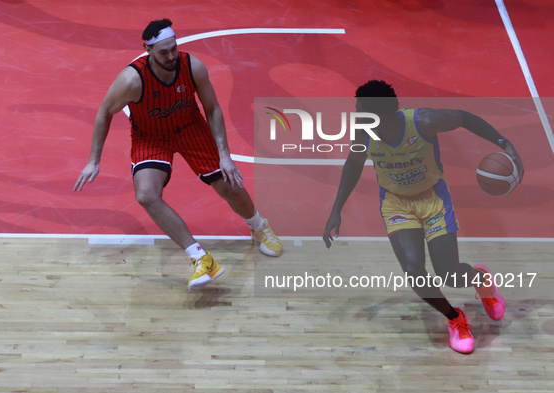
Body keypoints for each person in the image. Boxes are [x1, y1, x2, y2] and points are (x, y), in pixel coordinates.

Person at [74, 19, 282, 292]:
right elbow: (104, 113)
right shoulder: (131, 80)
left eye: (174, 48)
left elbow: (213, 108)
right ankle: (200, 257)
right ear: (148, 49)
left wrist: (225, 155)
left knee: (230, 186)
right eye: (163, 52)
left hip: (191, 129)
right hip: (151, 137)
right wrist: (93, 160)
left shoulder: (192, 66)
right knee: (146, 195)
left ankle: (258, 225)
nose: (171, 56)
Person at [323, 80, 524, 354]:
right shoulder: (364, 130)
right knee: (413, 271)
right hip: (397, 205)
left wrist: (505, 143)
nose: (358, 114)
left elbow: (463, 117)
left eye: (363, 109)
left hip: (433, 200)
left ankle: (480, 279)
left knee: (450, 275)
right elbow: (354, 163)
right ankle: (455, 319)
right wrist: (336, 209)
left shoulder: (424, 121)